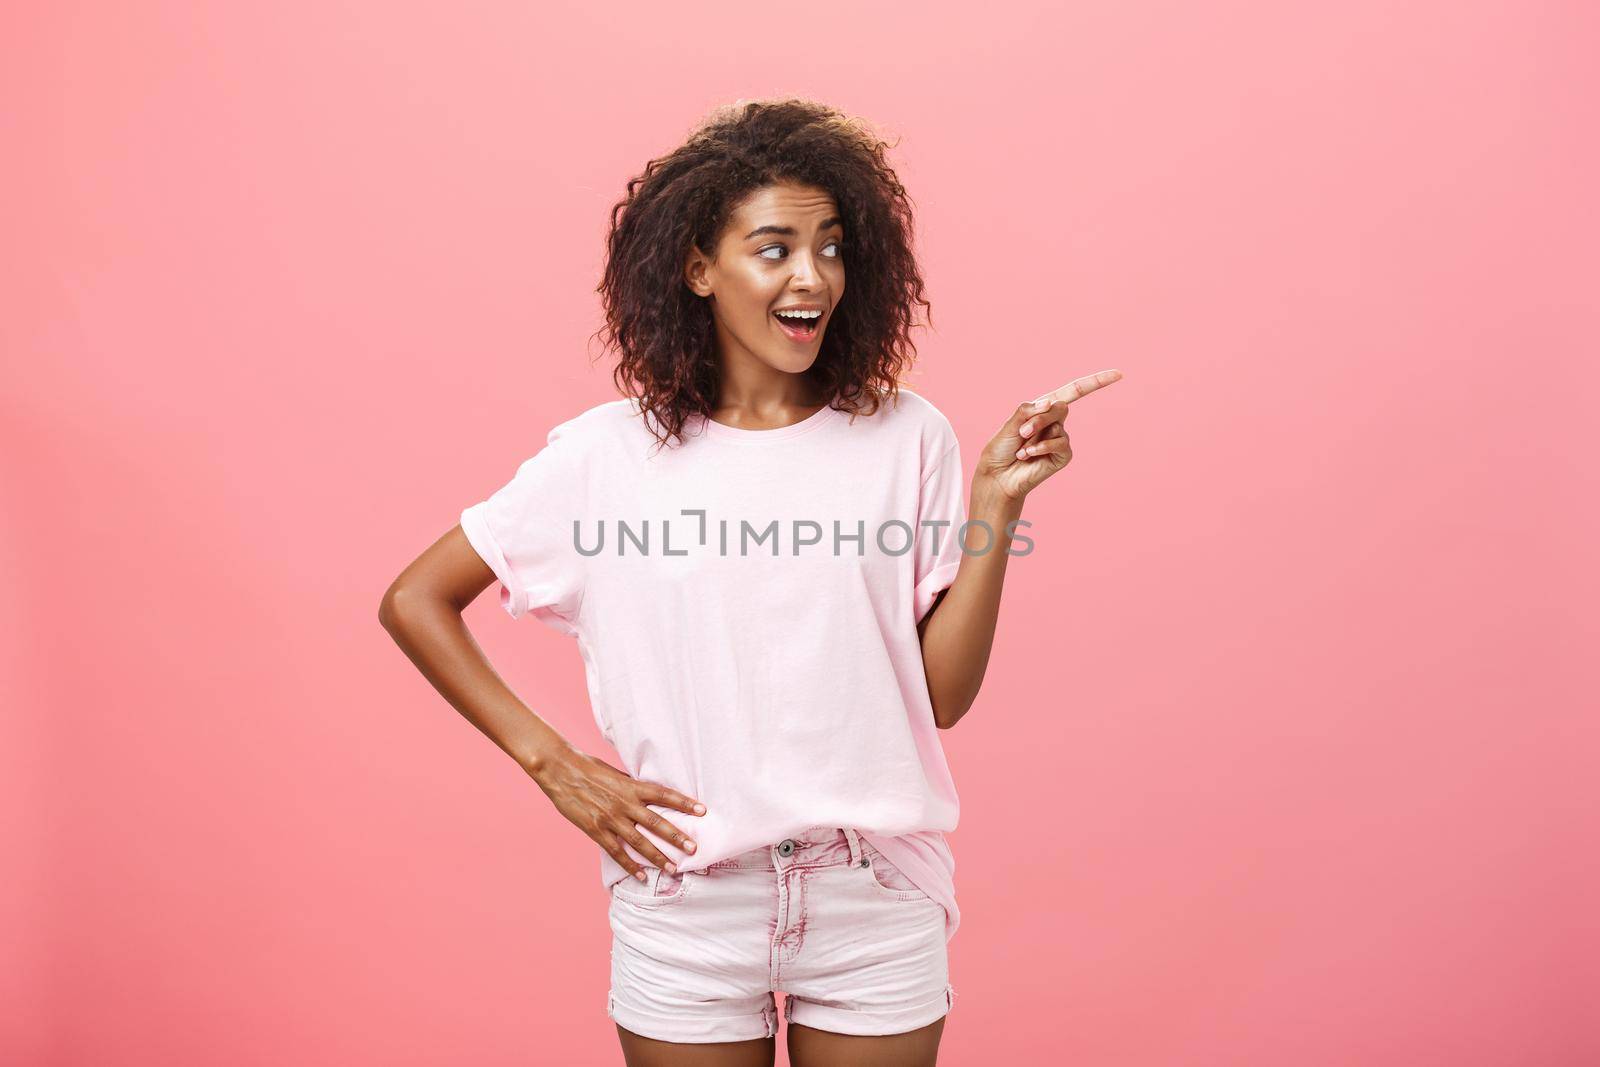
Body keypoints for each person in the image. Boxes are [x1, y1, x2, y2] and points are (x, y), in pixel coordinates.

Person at [379, 97, 1121, 1067]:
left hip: (872, 891)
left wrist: (997, 501)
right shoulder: (606, 457)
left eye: (832, 246)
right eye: (773, 248)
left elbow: (939, 697)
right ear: (698, 268)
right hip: (687, 893)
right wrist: (555, 766)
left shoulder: (909, 437)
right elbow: (414, 597)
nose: (812, 275)